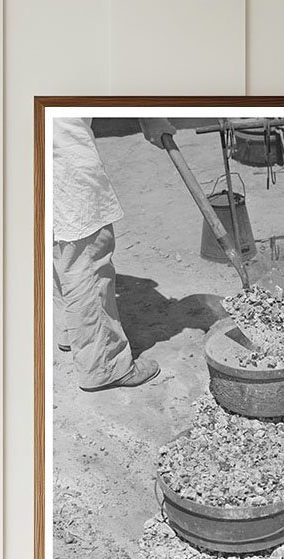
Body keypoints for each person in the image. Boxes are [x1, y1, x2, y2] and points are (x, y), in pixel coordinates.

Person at [52, 117, 174, 391]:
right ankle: (104, 365)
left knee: (58, 245)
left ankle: (73, 333)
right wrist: (150, 115)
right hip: (62, 141)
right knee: (88, 251)